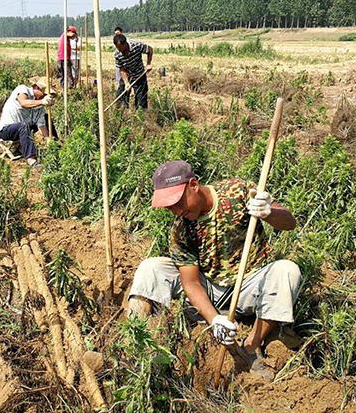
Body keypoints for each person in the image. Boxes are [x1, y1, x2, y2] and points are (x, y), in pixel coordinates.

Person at [126, 160, 301, 381]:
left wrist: (269, 212)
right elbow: (190, 283)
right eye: (169, 207)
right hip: (208, 288)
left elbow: (289, 223)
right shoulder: (181, 228)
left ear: (194, 185)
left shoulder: (238, 191)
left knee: (288, 271)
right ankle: (140, 349)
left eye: (178, 202)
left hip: (250, 286)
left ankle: (251, 346)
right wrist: (215, 320)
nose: (176, 211)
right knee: (150, 268)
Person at [0, 77, 56, 168]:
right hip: (7, 130)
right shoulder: (23, 90)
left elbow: (41, 124)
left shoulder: (39, 106)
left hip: (23, 129)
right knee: (24, 125)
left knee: (46, 116)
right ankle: (31, 159)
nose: (44, 96)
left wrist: (48, 138)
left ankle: (56, 144)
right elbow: (23, 103)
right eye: (44, 93)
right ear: (36, 87)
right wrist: (42, 101)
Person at [113, 33, 153, 109]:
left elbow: (150, 50)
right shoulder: (117, 54)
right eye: (118, 48)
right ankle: (123, 114)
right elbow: (122, 69)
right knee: (121, 98)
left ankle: (140, 116)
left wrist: (148, 63)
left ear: (125, 44)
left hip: (139, 74)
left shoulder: (136, 45)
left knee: (141, 100)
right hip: (127, 75)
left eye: (121, 48)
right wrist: (126, 83)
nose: (120, 51)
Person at [113, 27, 125, 102]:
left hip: (127, 65)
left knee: (124, 83)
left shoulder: (124, 41)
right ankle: (119, 100)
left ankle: (122, 99)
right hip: (120, 65)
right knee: (121, 82)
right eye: (115, 34)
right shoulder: (115, 42)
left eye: (118, 33)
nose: (116, 35)